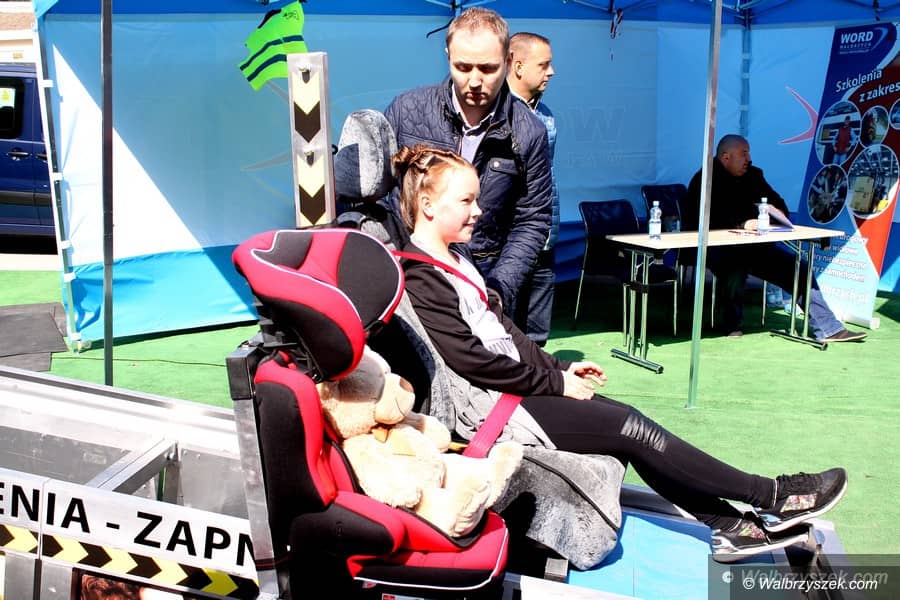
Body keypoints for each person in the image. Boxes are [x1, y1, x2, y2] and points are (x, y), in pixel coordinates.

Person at [392, 143, 848, 563]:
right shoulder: (421, 275)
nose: (478, 210)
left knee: (633, 428)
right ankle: (772, 496)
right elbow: (472, 361)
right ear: (428, 205)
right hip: (493, 408)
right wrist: (556, 382)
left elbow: (507, 335)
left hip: (514, 389)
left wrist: (563, 367)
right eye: (466, 201)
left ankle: (732, 526)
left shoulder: (457, 260)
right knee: (631, 428)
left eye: (476, 199)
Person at [384, 7, 553, 319]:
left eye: (487, 69)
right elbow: (379, 195)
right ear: (448, 55)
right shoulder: (406, 111)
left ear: (508, 62)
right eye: (463, 67)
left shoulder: (529, 132)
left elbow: (533, 219)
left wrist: (498, 289)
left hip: (484, 279)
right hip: (411, 275)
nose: (474, 80)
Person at [684, 134, 867, 342]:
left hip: (753, 248)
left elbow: (778, 204)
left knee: (799, 268)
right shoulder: (705, 179)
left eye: (748, 153)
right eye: (744, 153)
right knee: (734, 269)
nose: (749, 159)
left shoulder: (754, 175)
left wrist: (771, 215)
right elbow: (705, 217)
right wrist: (743, 223)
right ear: (726, 157)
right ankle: (732, 324)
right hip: (715, 248)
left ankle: (828, 329)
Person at [506, 31, 558, 346]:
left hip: (545, 233)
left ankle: (538, 370)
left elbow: (547, 175)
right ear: (518, 66)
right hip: (509, 238)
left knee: (538, 330)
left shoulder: (547, 115)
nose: (551, 72)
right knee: (505, 325)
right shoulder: (496, 114)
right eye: (544, 65)